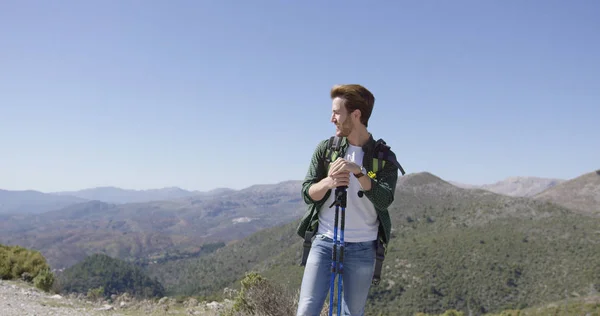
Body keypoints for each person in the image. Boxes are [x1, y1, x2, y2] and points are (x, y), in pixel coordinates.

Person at [296, 84, 400, 316]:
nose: (332, 118)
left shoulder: (383, 158)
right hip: (324, 241)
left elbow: (384, 200)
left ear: (356, 115)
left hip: (364, 247)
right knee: (306, 310)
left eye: (336, 112)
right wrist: (328, 183)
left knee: (352, 313)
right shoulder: (326, 149)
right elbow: (307, 193)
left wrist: (359, 173)